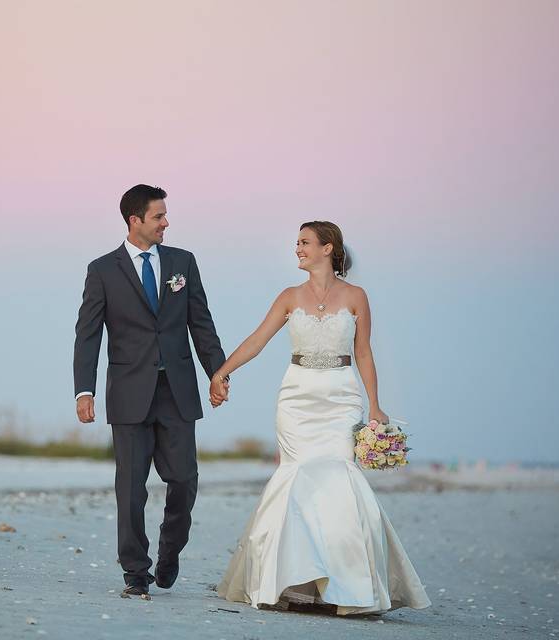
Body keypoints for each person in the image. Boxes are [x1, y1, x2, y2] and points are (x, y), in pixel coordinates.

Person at [212, 221, 431, 615]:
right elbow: (257, 340)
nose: (296, 248)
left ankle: (351, 589)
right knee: (296, 479)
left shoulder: (357, 297)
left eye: (304, 242)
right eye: (297, 242)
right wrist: (223, 372)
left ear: (328, 248)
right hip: (296, 398)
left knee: (338, 479)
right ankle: (287, 583)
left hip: (341, 397)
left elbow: (363, 352)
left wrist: (375, 404)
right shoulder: (289, 296)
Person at [73, 184, 228, 598]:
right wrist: (83, 391)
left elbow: (201, 323)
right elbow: (87, 335)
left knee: (184, 481)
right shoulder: (102, 270)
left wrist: (218, 372)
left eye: (165, 215)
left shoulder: (183, 262)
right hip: (127, 392)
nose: (166, 222)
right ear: (134, 220)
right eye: (159, 216)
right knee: (131, 487)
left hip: (176, 390)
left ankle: (169, 552)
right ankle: (136, 572)